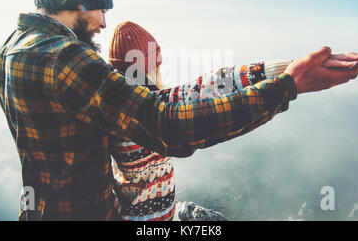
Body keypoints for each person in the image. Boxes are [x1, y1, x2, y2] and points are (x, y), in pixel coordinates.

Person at [0, 0, 358, 221]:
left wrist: (279, 69)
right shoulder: (66, 58)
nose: (104, 22)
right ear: (76, 2)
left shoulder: (12, 48)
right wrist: (287, 88)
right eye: (101, 9)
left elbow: (174, 95)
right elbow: (168, 125)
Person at [107, 21, 298, 221]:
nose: (160, 65)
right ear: (146, 65)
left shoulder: (115, 108)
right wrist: (280, 72)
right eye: (155, 61)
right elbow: (209, 87)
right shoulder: (150, 109)